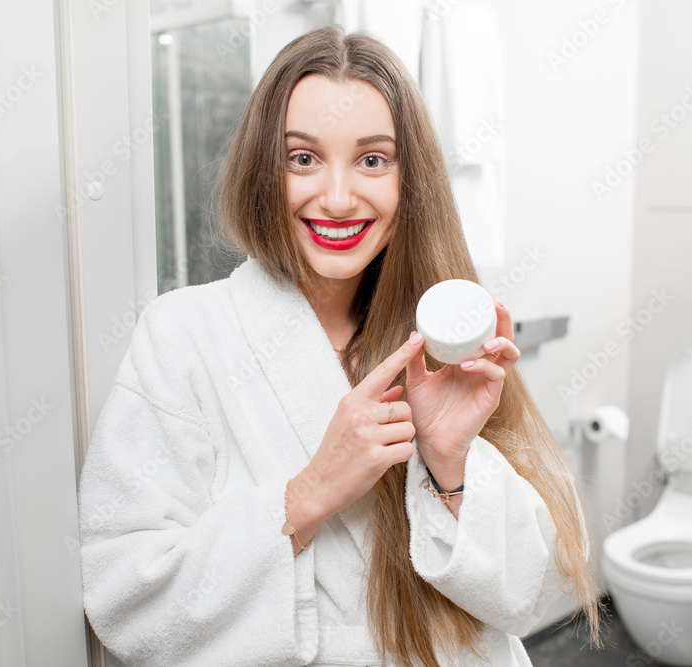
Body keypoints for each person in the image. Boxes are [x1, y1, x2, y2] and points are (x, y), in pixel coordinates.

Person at [78, 24, 600, 667]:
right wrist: (307, 495)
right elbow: (126, 597)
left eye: (372, 159)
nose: (337, 197)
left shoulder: (442, 333)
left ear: (410, 181)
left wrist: (448, 459)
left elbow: (525, 595)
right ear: (264, 170)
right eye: (303, 158)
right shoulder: (184, 334)